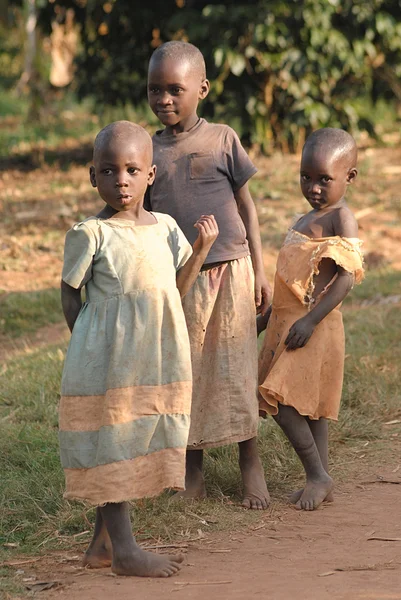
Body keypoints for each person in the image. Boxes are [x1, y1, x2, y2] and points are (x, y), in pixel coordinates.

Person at [59, 120, 218, 577]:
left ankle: (101, 546)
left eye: (132, 170)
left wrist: (203, 247)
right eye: (108, 171)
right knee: (113, 444)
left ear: (151, 175)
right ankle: (126, 552)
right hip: (109, 361)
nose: (121, 180)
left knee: (128, 440)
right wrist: (88, 346)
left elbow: (176, 288)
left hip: (154, 358)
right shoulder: (91, 233)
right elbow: (71, 295)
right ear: (93, 177)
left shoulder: (166, 227)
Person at [146, 41, 271, 510]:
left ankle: (249, 462)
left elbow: (247, 207)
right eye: (155, 90)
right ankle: (191, 467)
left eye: (175, 90)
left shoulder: (222, 138)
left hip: (232, 269)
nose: (164, 100)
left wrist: (261, 271)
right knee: (189, 370)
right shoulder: (148, 149)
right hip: (182, 276)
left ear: (201, 88)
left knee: (237, 368)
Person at [258, 128, 364, 511]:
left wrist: (311, 321)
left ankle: (318, 475)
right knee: (310, 406)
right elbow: (291, 282)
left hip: (315, 326)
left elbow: (346, 278)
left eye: (325, 179)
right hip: (290, 324)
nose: (314, 187)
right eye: (306, 177)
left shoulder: (341, 218)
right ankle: (320, 478)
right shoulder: (303, 219)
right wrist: (266, 319)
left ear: (349, 177)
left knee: (283, 403)